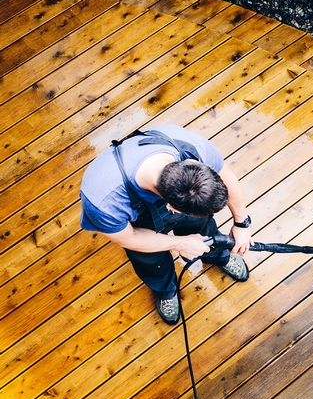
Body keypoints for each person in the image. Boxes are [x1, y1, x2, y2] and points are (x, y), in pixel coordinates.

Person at [79, 124, 253, 325]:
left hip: (177, 204)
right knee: (151, 260)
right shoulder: (103, 201)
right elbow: (129, 239)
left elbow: (228, 178)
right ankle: (166, 289)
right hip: (137, 227)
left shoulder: (192, 148)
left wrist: (242, 223)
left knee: (204, 229)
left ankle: (217, 255)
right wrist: (179, 244)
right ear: (173, 208)